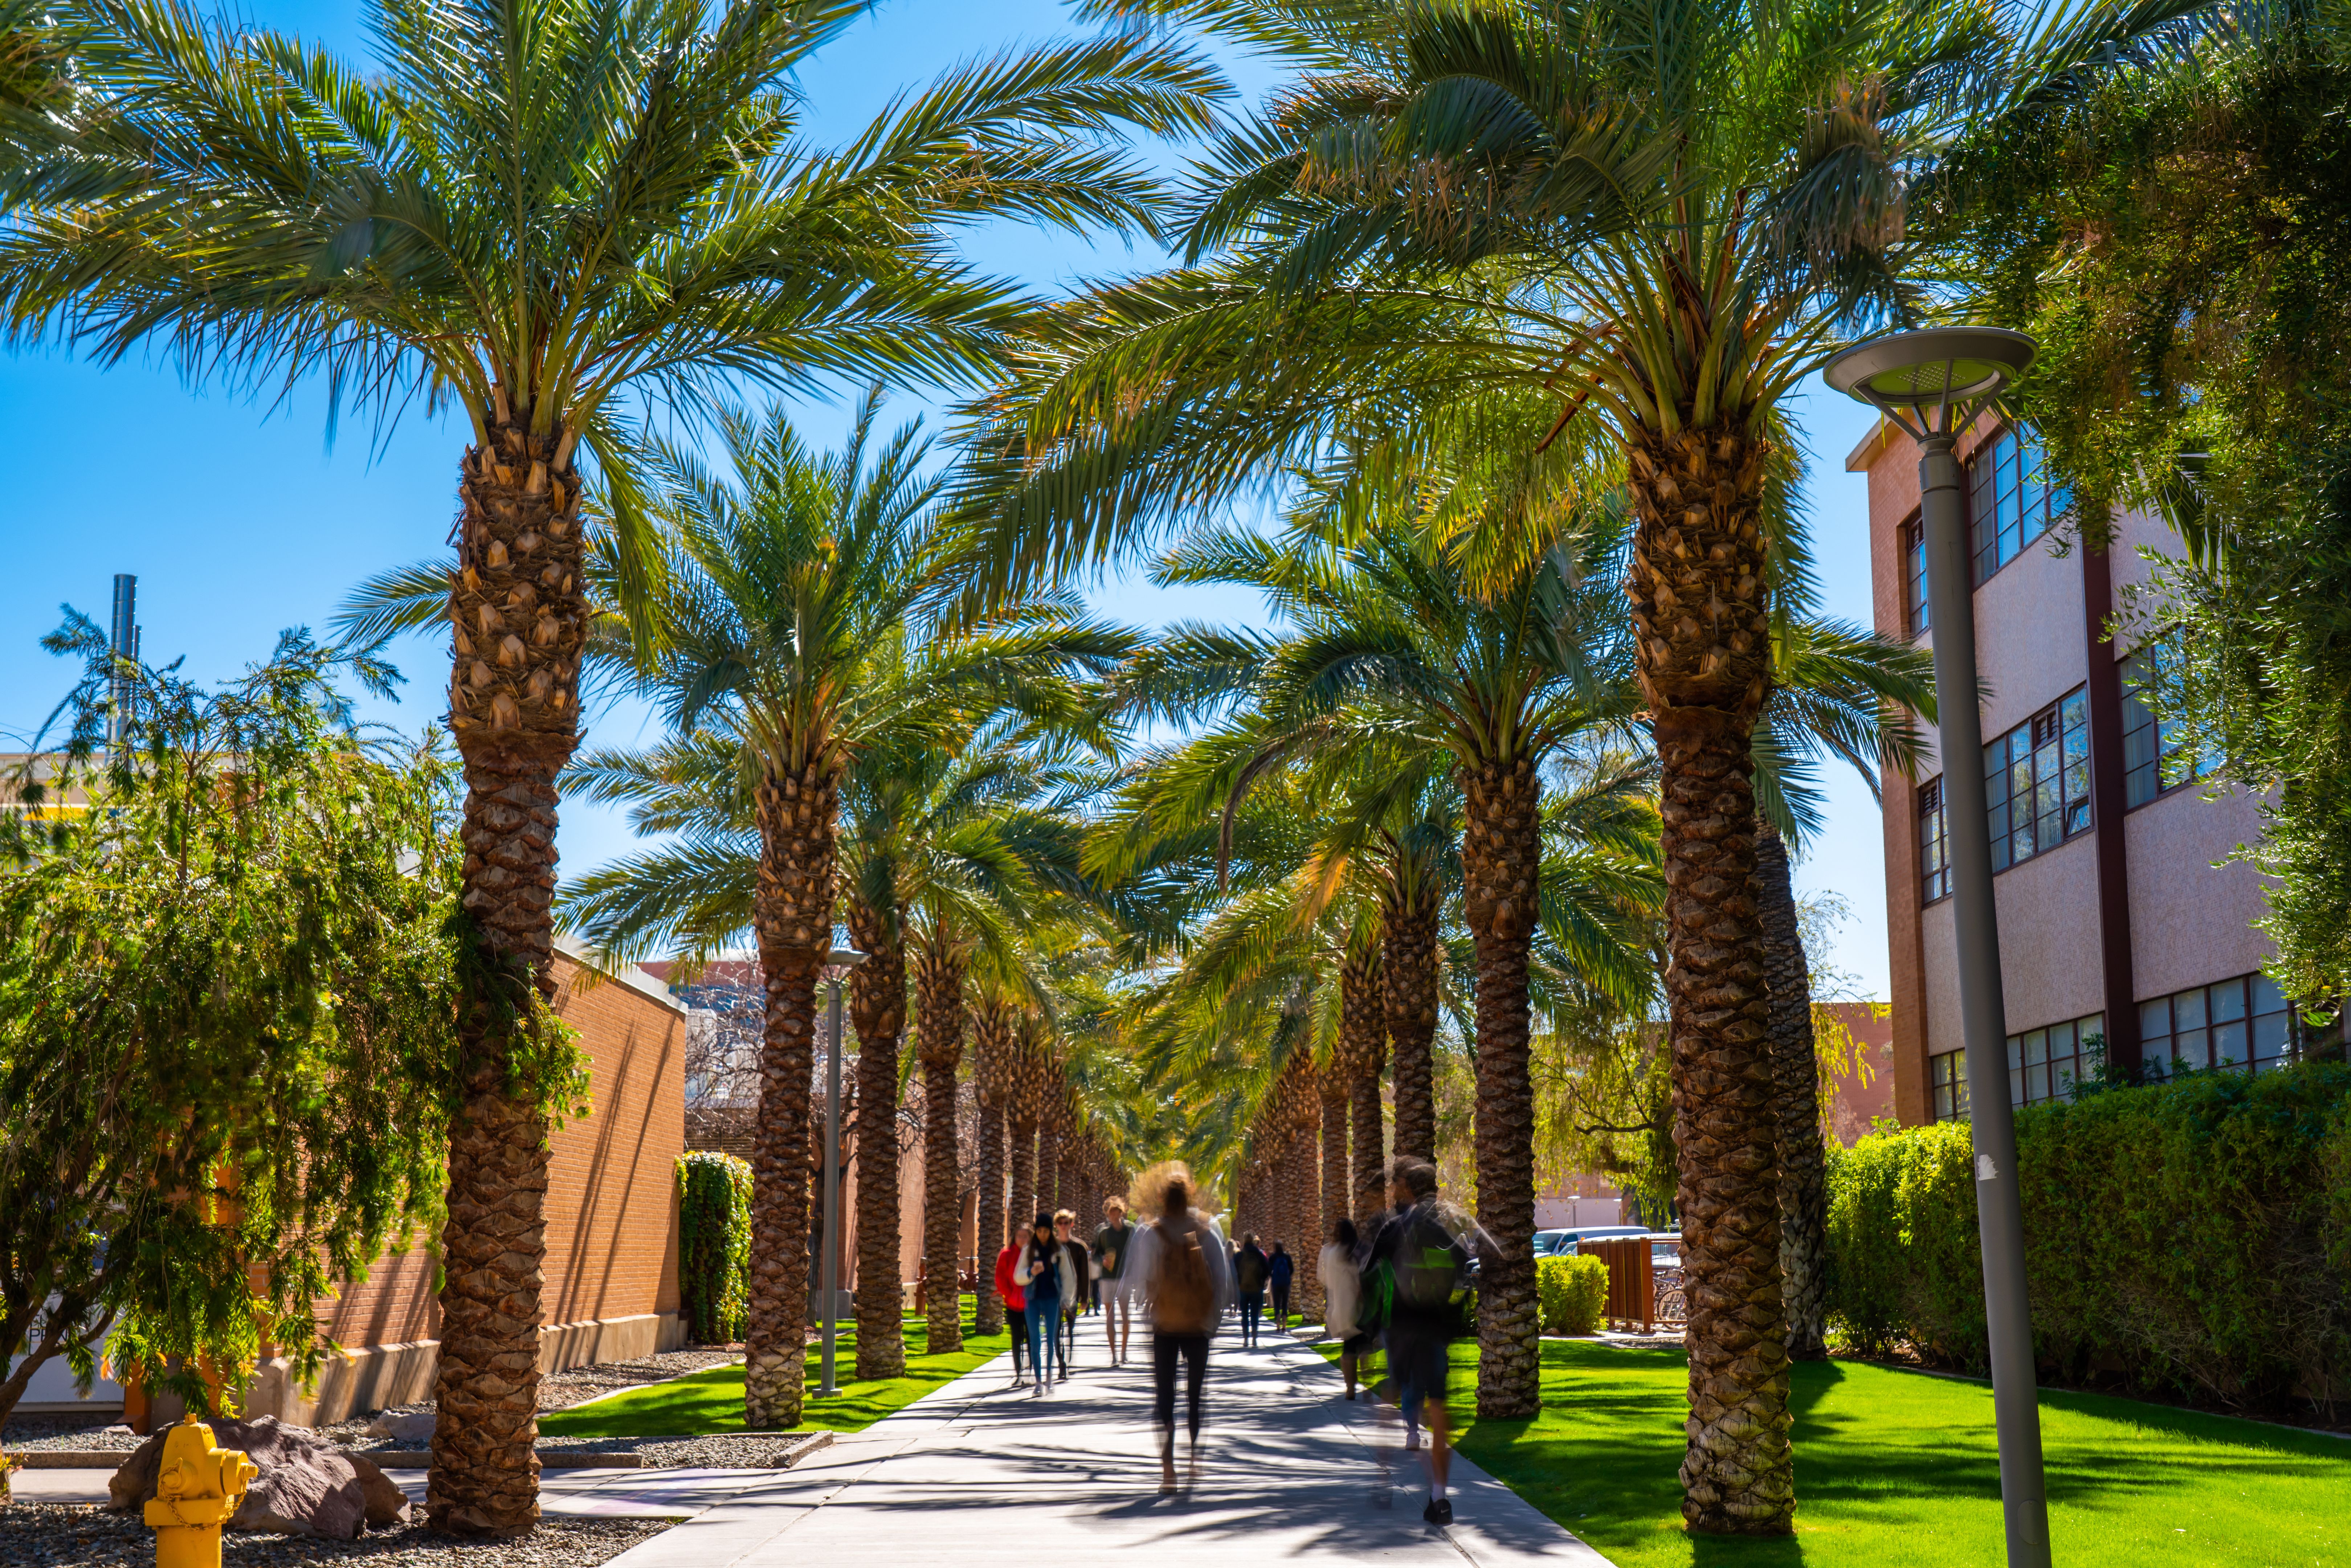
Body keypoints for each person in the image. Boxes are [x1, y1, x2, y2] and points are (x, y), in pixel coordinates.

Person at [1367, 1158, 1485, 1526]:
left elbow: (1370, 1273)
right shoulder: (1443, 1232)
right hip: (1434, 1331)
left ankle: (1384, 1480)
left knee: (1390, 1399)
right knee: (1438, 1407)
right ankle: (1439, 1498)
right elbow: (1465, 1273)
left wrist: (1372, 1321)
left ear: (1408, 1189)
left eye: (1398, 1183)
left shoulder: (1394, 1229)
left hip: (1401, 1329)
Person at [1125, 1160, 1233, 1494]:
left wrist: (1148, 1310)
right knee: (1196, 1397)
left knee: (1165, 1398)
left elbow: (1141, 1283)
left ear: (1162, 1197)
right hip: (1198, 1326)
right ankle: (1192, 1463)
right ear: (1189, 1195)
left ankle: (1168, 1470)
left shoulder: (1151, 1233)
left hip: (1164, 1327)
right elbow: (1221, 1279)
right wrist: (1212, 1319)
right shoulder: (1207, 1228)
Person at [1318, 1217, 1374, 1399]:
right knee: (1364, 1343)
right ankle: (1366, 1383)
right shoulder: (1356, 1251)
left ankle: (1350, 1388)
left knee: (1348, 1347)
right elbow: (1359, 1279)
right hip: (1358, 1305)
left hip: (1340, 1306)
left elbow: (1324, 1279)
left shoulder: (1331, 1253)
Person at [1013, 1211, 1065, 1393]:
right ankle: (1038, 1382)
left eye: (1046, 1231)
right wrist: (1031, 1273)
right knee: (1035, 1341)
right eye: (1040, 1231)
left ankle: (1049, 1379)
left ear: (1051, 1232)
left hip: (1052, 1299)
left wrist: (1069, 1299)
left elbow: (1068, 1276)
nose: (1043, 1234)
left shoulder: (1059, 1250)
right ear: (1036, 1231)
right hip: (1033, 1300)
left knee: (1051, 1340)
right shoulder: (1029, 1250)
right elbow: (1017, 1276)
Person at [1093, 1196, 1137, 1366]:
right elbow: (1096, 1255)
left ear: (1121, 1212)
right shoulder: (1104, 1233)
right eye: (1111, 1213)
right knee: (1110, 1316)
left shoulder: (1130, 1231)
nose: (1114, 1216)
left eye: (1117, 1212)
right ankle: (1113, 1356)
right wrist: (1103, 1259)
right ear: (1108, 1214)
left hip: (1125, 1278)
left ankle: (1124, 1353)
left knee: (1126, 1316)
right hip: (1108, 1279)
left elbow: (1136, 1251)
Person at [994, 1226, 1029, 1387]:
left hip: (1031, 1305)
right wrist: (1009, 1295)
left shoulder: (1033, 1255)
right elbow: (1000, 1277)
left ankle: (1031, 1371)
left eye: (1025, 1236)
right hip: (1013, 1305)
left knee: (1031, 1339)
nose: (1022, 1239)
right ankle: (1019, 1372)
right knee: (1016, 1339)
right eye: (1019, 1236)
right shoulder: (1007, 1255)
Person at [1054, 1210, 1089, 1372]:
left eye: (1066, 1223)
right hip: (1054, 1295)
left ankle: (1068, 1356)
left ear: (1072, 1225)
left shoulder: (1079, 1247)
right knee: (1056, 1331)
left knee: (1070, 1329)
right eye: (1060, 1223)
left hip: (1073, 1296)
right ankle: (1061, 1362)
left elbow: (1084, 1275)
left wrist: (1085, 1299)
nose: (1063, 1226)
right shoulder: (1051, 1247)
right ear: (1056, 1226)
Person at [1233, 1234, 1269, 1348]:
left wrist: (1239, 1282)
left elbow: (1234, 1271)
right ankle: (1254, 1338)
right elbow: (1268, 1269)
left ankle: (1245, 1339)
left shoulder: (1240, 1255)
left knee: (1244, 1314)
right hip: (1257, 1288)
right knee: (1254, 1314)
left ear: (1244, 1241)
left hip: (1243, 1289)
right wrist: (1262, 1281)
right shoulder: (1259, 1254)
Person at [1267, 1240, 1295, 1331]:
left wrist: (1273, 1276)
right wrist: (1287, 1276)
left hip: (1276, 1283)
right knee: (1285, 1303)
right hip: (1286, 1283)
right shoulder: (1287, 1257)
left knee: (1277, 1303)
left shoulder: (1273, 1257)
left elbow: (1269, 1270)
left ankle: (1278, 1325)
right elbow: (1292, 1269)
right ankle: (1284, 1325)